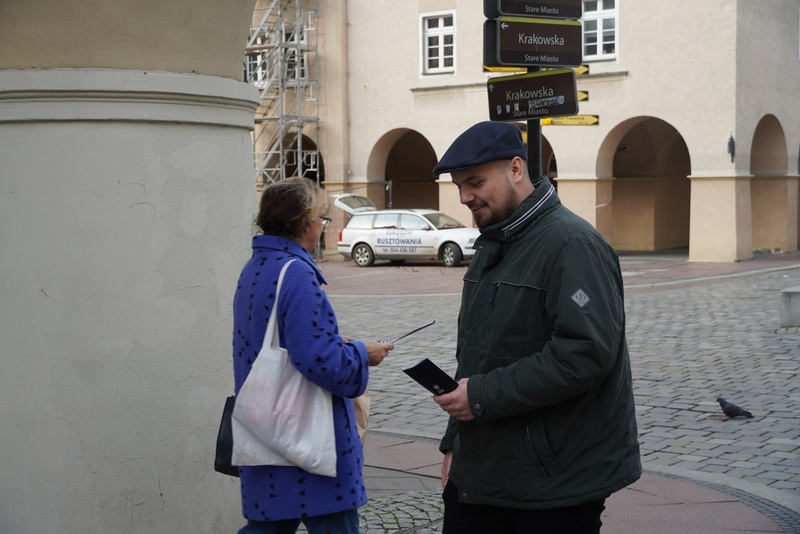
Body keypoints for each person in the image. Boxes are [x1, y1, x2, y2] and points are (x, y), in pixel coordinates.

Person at [431, 122, 641, 533]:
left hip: (555, 482)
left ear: (515, 169)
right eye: (458, 186)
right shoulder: (493, 245)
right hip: (480, 473)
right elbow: (473, 358)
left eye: (474, 182)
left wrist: (481, 395)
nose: (464, 197)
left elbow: (585, 353)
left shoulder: (573, 244)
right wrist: (454, 444)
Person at [232, 177, 394, 534]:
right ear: (305, 222)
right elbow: (320, 361)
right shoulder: (297, 274)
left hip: (265, 426)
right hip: (308, 438)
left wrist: (332, 339)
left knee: (267, 526)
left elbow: (281, 341)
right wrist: (360, 353)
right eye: (322, 219)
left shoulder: (256, 267)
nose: (323, 227)